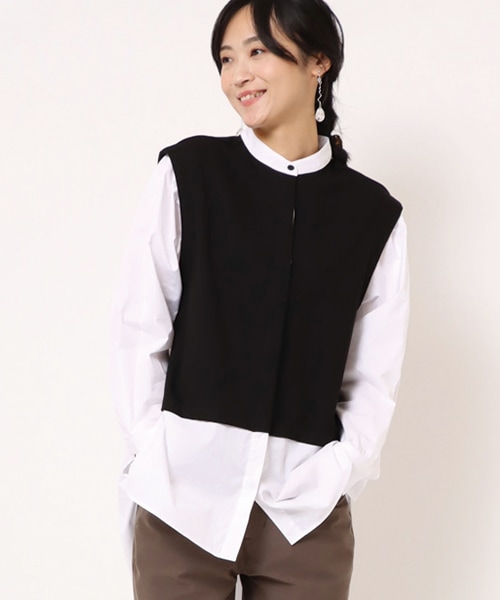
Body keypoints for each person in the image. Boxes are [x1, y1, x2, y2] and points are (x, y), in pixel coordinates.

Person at [110, 0, 409, 598]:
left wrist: (336, 472)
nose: (238, 74)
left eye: (257, 52)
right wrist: (156, 452)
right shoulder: (189, 173)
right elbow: (139, 327)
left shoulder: (372, 214)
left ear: (318, 60)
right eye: (226, 59)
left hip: (305, 514)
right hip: (182, 502)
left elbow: (373, 376)